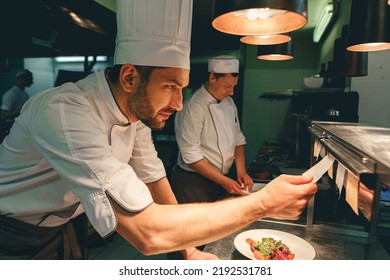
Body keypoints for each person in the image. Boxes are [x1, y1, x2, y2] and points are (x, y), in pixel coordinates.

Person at [0, 0, 317, 260]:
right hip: (12, 234)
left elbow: (154, 180)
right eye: (169, 86)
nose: (179, 103)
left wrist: (189, 252)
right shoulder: (65, 111)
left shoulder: (133, 115)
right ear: (129, 78)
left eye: (182, 89)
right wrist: (263, 203)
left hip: (60, 227)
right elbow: (147, 234)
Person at [171, 56, 253, 204]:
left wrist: (241, 172)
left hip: (220, 180)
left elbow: (238, 139)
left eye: (234, 86)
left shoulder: (229, 103)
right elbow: (191, 156)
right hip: (193, 183)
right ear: (213, 77)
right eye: (228, 86)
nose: (232, 92)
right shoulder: (194, 107)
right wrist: (224, 181)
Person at [0, 69, 33, 137]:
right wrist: (25, 108)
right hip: (11, 128)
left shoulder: (24, 93)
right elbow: (4, 115)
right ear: (21, 78)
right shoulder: (11, 94)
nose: (32, 82)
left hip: (20, 128)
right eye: (30, 79)